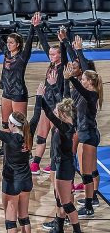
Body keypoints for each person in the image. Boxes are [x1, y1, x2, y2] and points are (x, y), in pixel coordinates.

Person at [0, 83, 45, 233]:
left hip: (12, 180)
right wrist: (39, 97)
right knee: (24, 217)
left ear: (12, 124)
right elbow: (36, 114)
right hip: (26, 179)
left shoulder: (10, 138)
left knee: (10, 220)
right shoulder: (28, 132)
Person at [0, 9, 38, 159]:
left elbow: (29, 41)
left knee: (21, 125)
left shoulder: (23, 56)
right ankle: (4, 147)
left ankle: (26, 149)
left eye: (11, 42)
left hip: (18, 93)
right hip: (7, 92)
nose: (8, 44)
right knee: (5, 123)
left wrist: (33, 27)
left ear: (18, 44)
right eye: (8, 42)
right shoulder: (6, 53)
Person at [63, 64, 103, 218]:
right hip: (86, 134)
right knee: (90, 171)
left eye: (84, 79)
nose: (82, 80)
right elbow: (70, 99)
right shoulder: (84, 93)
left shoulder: (92, 94)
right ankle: (91, 199)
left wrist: (72, 78)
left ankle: (88, 206)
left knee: (86, 174)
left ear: (89, 82)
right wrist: (67, 81)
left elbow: (80, 89)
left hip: (88, 136)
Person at [31, 22, 68, 175]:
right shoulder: (52, 64)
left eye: (54, 54)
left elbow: (64, 52)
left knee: (55, 138)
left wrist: (62, 40)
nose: (51, 56)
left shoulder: (63, 66)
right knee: (41, 136)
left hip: (57, 107)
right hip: (47, 105)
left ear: (60, 55)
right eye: (50, 54)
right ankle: (35, 164)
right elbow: (46, 46)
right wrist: (37, 27)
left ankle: (53, 163)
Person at [41, 98, 83, 233]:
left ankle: (77, 230)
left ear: (63, 115)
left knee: (66, 203)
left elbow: (49, 114)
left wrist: (40, 97)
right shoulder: (67, 124)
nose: (56, 115)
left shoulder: (66, 128)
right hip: (62, 165)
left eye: (58, 113)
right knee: (60, 200)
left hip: (65, 168)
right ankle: (59, 228)